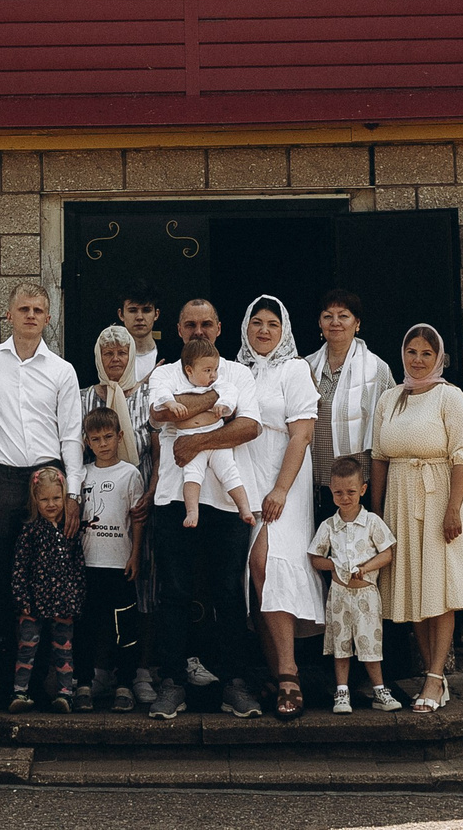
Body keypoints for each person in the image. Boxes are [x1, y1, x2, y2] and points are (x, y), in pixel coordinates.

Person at [143, 297, 264, 721]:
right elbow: (159, 416)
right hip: (174, 498)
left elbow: (249, 426)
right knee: (172, 593)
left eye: (206, 324)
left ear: (219, 327)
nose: (199, 331)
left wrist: (193, 438)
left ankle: (235, 682)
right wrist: (213, 401)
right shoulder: (162, 374)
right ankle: (172, 682)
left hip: (226, 500)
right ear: (178, 329)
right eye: (191, 325)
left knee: (229, 594)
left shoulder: (239, 373)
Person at [370, 323, 463, 713]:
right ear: (402, 355)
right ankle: (430, 671)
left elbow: (462, 455)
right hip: (400, 503)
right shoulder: (390, 399)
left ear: (438, 357)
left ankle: (436, 678)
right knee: (414, 591)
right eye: (411, 352)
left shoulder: (449, 397)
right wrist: (374, 514)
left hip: (438, 498)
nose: (418, 360)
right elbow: (378, 457)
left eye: (426, 353)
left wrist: (453, 508)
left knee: (439, 591)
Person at [0, 283, 83, 667]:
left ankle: (50, 677)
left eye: (38, 310)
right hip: (0, 481)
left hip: (47, 483)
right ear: (9, 315)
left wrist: (74, 495)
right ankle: (8, 677)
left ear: (49, 318)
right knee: (5, 575)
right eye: (24, 309)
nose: (31, 315)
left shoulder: (62, 371)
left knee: (50, 579)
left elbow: (71, 434)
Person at [236, 294, 324, 721]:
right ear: (246, 328)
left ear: (284, 329)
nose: (264, 330)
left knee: (271, 562)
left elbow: (301, 434)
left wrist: (281, 489)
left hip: (282, 478)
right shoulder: (237, 371)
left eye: (273, 323)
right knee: (257, 571)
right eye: (257, 322)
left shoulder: (295, 370)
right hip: (245, 480)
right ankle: (275, 674)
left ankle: (290, 673)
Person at [82, 323, 159, 706]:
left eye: (122, 353)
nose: (115, 359)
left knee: (141, 587)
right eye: (108, 353)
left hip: (140, 498)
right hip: (100, 508)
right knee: (97, 597)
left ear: (132, 356)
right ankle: (99, 671)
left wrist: (153, 489)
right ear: (99, 357)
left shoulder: (147, 395)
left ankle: (140, 670)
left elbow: (159, 446)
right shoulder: (84, 398)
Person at [308, 455, 399, 715]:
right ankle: (342, 692)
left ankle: (379, 690)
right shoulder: (329, 526)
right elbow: (315, 558)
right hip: (339, 595)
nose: (345, 498)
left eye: (350, 492)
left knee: (370, 643)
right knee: (341, 644)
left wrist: (366, 568)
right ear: (331, 492)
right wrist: (334, 567)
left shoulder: (372, 522)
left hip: (366, 595)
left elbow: (387, 553)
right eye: (338, 493)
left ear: (362, 490)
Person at [75, 405, 145, 712]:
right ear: (87, 442)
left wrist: (136, 555)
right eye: (96, 438)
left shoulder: (130, 474)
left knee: (124, 628)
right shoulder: (82, 474)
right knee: (86, 627)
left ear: (119, 436)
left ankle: (124, 684)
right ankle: (83, 685)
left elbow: (138, 519)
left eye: (108, 437)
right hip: (87, 565)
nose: (103, 444)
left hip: (119, 564)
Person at [9, 467, 85, 711]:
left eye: (56, 498)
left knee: (64, 651)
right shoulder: (30, 530)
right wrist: (22, 598)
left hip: (63, 602)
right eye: (44, 499)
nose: (51, 504)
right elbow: (20, 566)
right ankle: (19, 694)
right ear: (35, 499)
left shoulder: (70, 530)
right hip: (33, 603)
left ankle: (65, 694)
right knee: (27, 650)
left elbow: (78, 566)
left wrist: (77, 596)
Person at [154, 341, 253, 528]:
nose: (213, 375)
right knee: (192, 476)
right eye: (207, 370)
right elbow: (161, 393)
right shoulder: (176, 382)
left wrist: (224, 405)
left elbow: (230, 393)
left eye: (215, 369)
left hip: (215, 439)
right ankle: (192, 511)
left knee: (230, 473)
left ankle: (244, 508)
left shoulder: (219, 384)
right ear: (189, 370)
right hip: (189, 441)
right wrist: (171, 403)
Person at [309, 289, 394, 497]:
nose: (335, 322)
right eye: (328, 316)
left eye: (343, 316)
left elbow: (390, 427)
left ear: (357, 324)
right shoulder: (305, 367)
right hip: (314, 485)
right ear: (320, 323)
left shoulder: (377, 370)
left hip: (359, 488)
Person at [117, 283, 164, 386]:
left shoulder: (171, 357)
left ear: (156, 314)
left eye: (146, 310)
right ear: (121, 315)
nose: (139, 317)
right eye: (133, 310)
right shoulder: (110, 358)